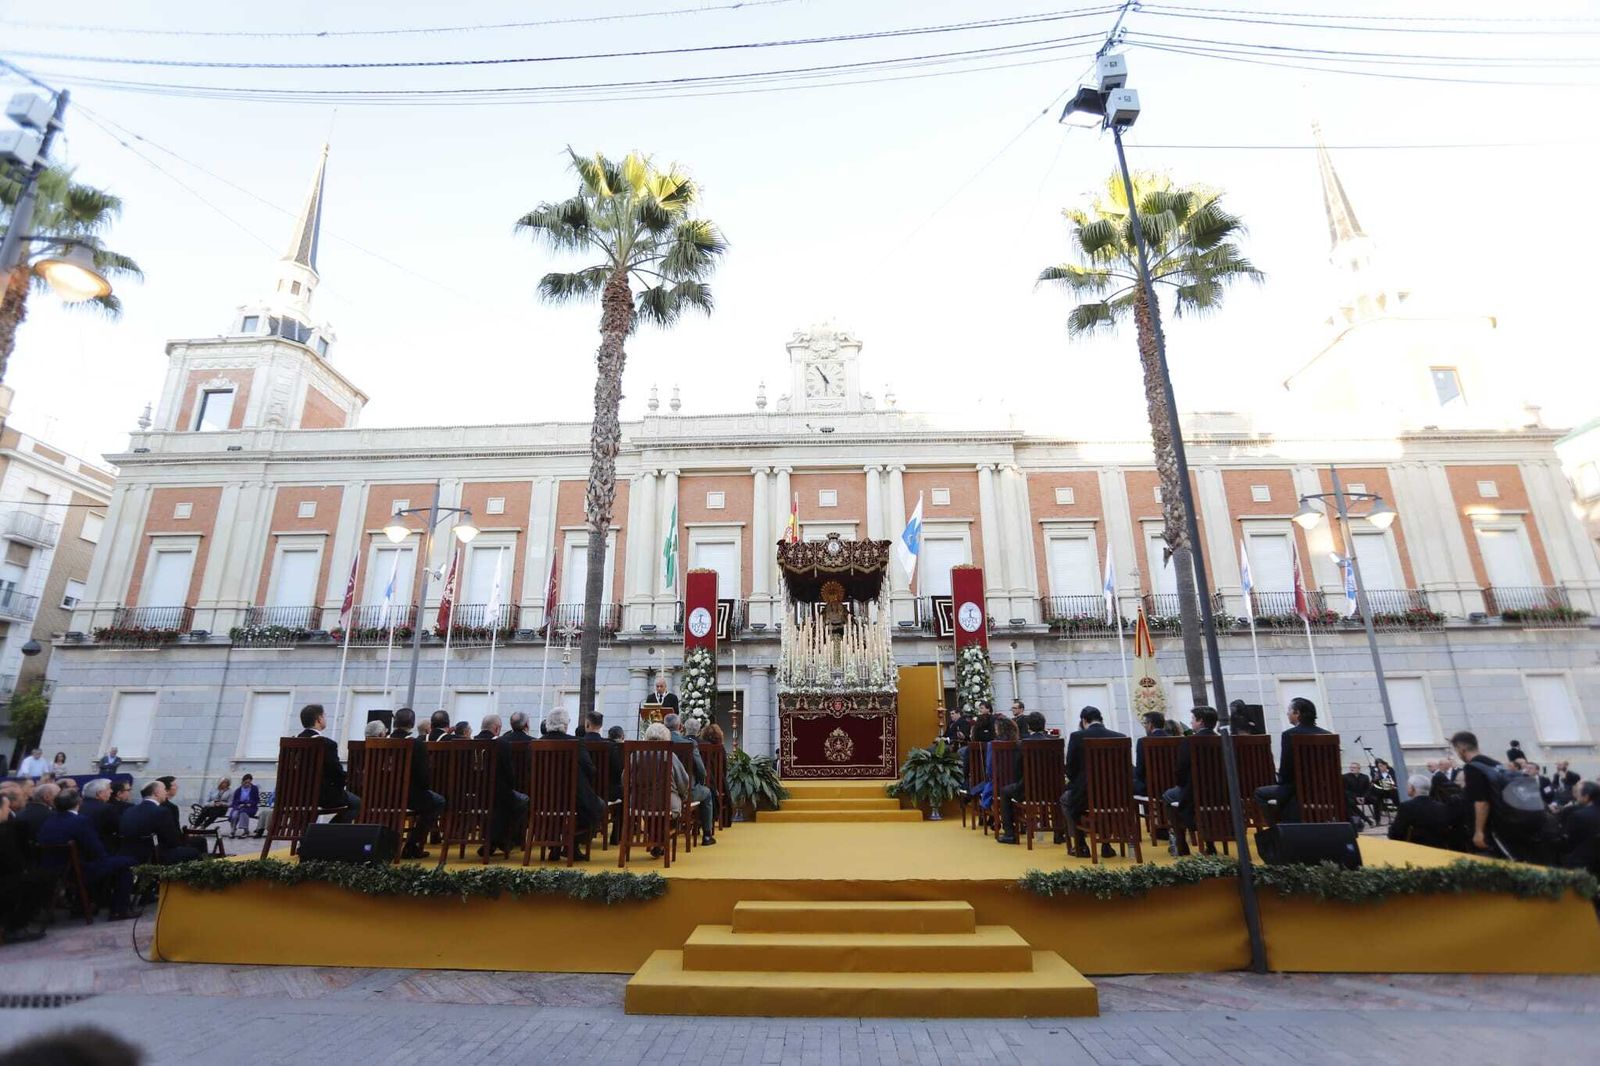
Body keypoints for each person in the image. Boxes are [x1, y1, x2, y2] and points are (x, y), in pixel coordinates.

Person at [37, 788, 137, 920]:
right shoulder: (80, 821)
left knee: (107, 863)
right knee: (127, 863)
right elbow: (95, 849)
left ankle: (82, 905)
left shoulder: (48, 820)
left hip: (53, 869)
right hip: (76, 870)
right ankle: (119, 910)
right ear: (79, 802)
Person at [1059, 706, 1126, 858]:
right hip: (1116, 796)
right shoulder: (1119, 737)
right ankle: (1106, 844)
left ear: (1084, 721)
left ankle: (1081, 844)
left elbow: (1070, 768)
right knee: (1103, 806)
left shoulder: (1077, 737)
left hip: (1087, 795)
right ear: (1101, 719)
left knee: (1065, 800)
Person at [1253, 697, 1330, 826]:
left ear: (1297, 713)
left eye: (1289, 710)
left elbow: (1286, 769)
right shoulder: (1327, 735)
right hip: (1324, 790)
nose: (1287, 713)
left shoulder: (1289, 735)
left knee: (1260, 793)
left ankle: (1276, 829)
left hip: (1296, 789)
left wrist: (1281, 782)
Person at [540, 707, 607, 856]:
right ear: (565, 725)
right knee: (599, 806)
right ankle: (573, 843)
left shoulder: (535, 744)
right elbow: (590, 770)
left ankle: (554, 846)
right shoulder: (576, 742)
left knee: (554, 810)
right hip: (571, 798)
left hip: (542, 799)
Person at [1163, 706, 1219, 857]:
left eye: (1193, 719)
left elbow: (1181, 770)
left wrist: (1181, 785)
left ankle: (1181, 843)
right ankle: (1209, 843)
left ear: (1200, 721)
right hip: (1221, 793)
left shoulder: (1189, 742)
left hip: (1195, 793)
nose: (1191, 722)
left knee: (1168, 795)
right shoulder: (1223, 740)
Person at [390, 707, 445, 860]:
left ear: (395, 722)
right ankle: (412, 845)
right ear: (412, 724)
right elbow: (423, 777)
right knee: (438, 802)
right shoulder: (416, 744)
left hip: (382, 795)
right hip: (409, 795)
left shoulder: (381, 741)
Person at [0, 787, 54, 942]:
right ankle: (15, 927)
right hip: (6, 881)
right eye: (6, 808)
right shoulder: (5, 831)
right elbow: (13, 863)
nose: (8, 810)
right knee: (43, 880)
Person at [296, 704, 360, 822]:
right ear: (319, 719)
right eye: (324, 716)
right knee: (358, 803)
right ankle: (329, 833)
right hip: (322, 795)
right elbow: (336, 772)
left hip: (295, 794)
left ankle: (307, 837)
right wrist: (345, 781)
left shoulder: (294, 742)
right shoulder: (326, 744)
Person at [639, 721, 693, 857]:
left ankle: (655, 840)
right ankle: (660, 840)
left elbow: (625, 780)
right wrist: (683, 795)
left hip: (640, 804)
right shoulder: (670, 756)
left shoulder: (636, 755)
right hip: (667, 803)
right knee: (665, 807)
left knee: (651, 810)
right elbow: (684, 781)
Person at [996, 711, 1050, 844]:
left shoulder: (1023, 744)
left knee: (1005, 791)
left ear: (1029, 727)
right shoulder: (1055, 742)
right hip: (1052, 790)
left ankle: (1009, 833)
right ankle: (1059, 835)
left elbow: (1018, 769)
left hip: (1028, 790)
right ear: (1044, 725)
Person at [662, 713, 715, 845]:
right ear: (680, 727)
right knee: (707, 793)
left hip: (661, 792)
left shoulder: (659, 742)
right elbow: (701, 770)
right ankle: (707, 835)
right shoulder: (689, 744)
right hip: (686, 791)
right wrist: (700, 783)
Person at [119, 780, 200, 864]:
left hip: (129, 855)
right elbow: (173, 841)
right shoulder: (162, 811)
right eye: (164, 789)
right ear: (156, 793)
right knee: (194, 852)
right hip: (153, 857)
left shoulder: (129, 810)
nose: (166, 792)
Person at [490, 711, 535, 857]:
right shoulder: (534, 743)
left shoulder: (501, 741)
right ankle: (512, 837)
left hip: (503, 787)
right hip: (527, 786)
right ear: (527, 725)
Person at [1452, 730, 1501, 853]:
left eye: (1456, 750)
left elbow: (1481, 802)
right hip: (1502, 823)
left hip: (1489, 830)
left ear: (1461, 748)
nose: (1458, 754)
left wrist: (1479, 831)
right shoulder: (1495, 764)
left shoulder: (1472, 767)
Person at [1388, 772, 1455, 848]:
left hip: (1416, 850)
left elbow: (1396, 832)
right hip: (1439, 849)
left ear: (1412, 788)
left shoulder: (1406, 807)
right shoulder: (1441, 806)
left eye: (1408, 786)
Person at [1559, 780, 1600, 871]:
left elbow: (1569, 842)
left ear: (1586, 797)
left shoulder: (1578, 815)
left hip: (1581, 863)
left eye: (1578, 792)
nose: (1575, 795)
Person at [1132, 712, 1166, 799]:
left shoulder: (1143, 742)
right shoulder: (1176, 740)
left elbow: (1140, 771)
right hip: (1172, 786)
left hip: (1150, 788)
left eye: (1145, 723)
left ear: (1150, 725)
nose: (1145, 726)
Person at [1343, 762, 1373, 826]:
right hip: (1352, 797)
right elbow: (1346, 790)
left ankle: (1376, 819)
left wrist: (1363, 797)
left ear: (1359, 769)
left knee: (1375, 799)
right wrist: (1356, 797)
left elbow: (1368, 789)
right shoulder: (1345, 777)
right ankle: (1366, 820)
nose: (1351, 769)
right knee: (1349, 803)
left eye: (1354, 768)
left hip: (1363, 797)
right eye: (1351, 768)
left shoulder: (1365, 777)